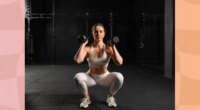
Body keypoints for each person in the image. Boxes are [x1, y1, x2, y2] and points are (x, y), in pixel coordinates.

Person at [74, 23, 124, 108]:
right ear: (92, 33)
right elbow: (78, 60)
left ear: (104, 33)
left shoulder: (109, 48)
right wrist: (83, 44)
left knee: (120, 77)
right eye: (96, 32)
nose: (98, 34)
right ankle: (86, 98)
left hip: (105, 77)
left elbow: (119, 62)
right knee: (77, 77)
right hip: (91, 77)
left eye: (101, 32)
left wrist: (113, 46)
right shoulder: (88, 48)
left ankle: (110, 96)